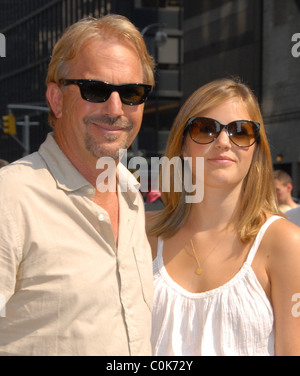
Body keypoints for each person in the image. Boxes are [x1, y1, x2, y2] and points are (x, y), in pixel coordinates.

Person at [0, 15, 155, 356]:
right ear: (56, 99)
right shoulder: (10, 199)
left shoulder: (130, 194)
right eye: (96, 90)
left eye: (132, 93)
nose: (115, 109)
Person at [147, 78, 300, 356]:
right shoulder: (142, 233)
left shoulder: (286, 243)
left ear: (255, 149)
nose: (222, 142)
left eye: (240, 132)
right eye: (205, 130)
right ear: (182, 147)